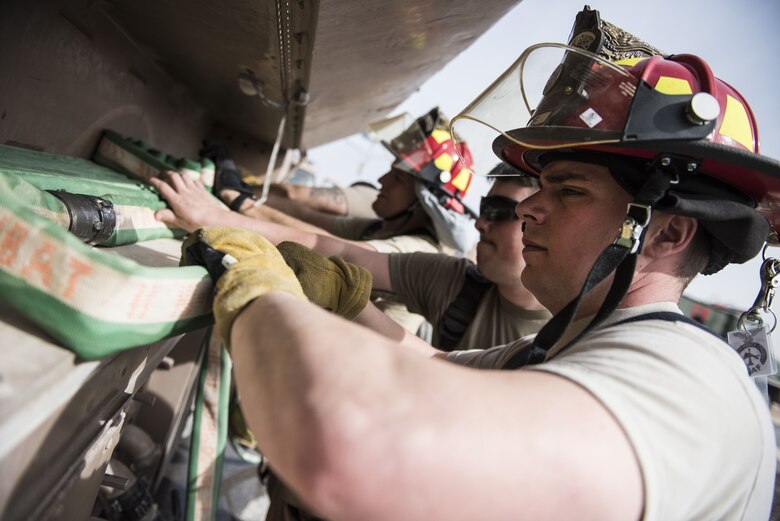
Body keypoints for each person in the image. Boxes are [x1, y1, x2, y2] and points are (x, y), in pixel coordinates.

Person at [177, 38, 779, 520]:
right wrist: (346, 297)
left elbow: (360, 446)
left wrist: (257, 291)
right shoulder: (568, 344)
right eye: (538, 188)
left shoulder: (685, 381)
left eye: (569, 191)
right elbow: (437, 366)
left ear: (668, 234)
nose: (528, 208)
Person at [155, 108, 479, 334]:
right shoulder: (381, 227)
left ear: (422, 202)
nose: (381, 180)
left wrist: (218, 215)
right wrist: (242, 196)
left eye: (397, 177)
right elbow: (309, 223)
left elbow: (334, 250)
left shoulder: (414, 248)